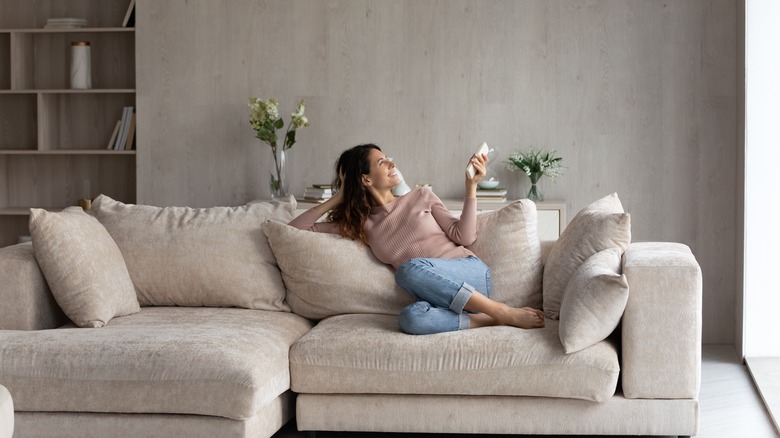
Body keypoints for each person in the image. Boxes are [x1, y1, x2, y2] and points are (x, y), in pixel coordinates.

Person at [289, 143, 545, 335]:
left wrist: (471, 186)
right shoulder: (363, 225)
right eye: (381, 162)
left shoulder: (421, 196)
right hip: (437, 297)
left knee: (408, 269)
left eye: (388, 159)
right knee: (410, 319)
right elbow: (296, 229)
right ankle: (491, 319)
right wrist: (339, 197)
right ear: (365, 179)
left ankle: (502, 310)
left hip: (471, 274)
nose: (391, 163)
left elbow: (464, 236)